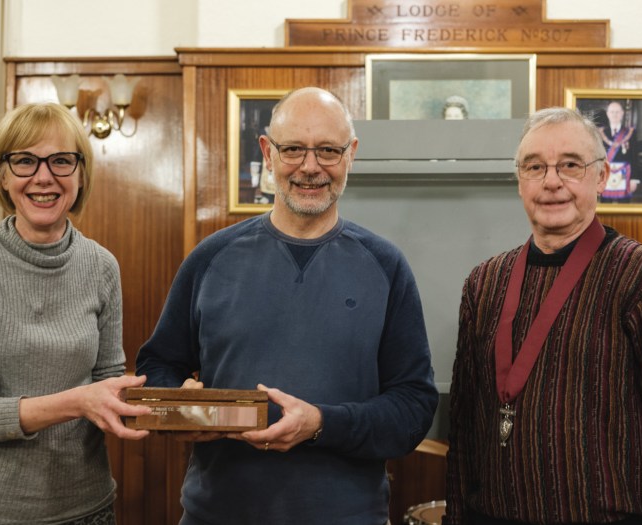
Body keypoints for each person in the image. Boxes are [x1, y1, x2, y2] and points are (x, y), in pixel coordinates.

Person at [136, 86, 438, 525]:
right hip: (217, 515)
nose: (310, 167)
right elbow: (158, 366)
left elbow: (413, 408)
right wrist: (180, 407)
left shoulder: (386, 266)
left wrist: (320, 423)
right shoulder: (210, 259)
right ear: (268, 152)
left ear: (351, 154)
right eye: (293, 149)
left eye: (328, 151)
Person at [446, 107, 642, 524]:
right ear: (519, 180)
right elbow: (464, 428)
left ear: (600, 177)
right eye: (535, 167)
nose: (551, 182)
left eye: (570, 165)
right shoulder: (484, 283)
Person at [0, 102, 151, 525]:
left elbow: (109, 381)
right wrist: (77, 402)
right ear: (2, 174)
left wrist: (175, 402)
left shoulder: (102, 265)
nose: (44, 176)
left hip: (86, 507)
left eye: (61, 161)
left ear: (81, 173)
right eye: (25, 161)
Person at [598, 100, 637, 200]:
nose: (614, 115)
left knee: (625, 209)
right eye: (612, 112)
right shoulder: (600, 133)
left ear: (622, 113)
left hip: (625, 176)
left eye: (617, 112)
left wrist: (634, 179)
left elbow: (634, 156)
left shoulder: (630, 132)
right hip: (606, 177)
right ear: (607, 114)